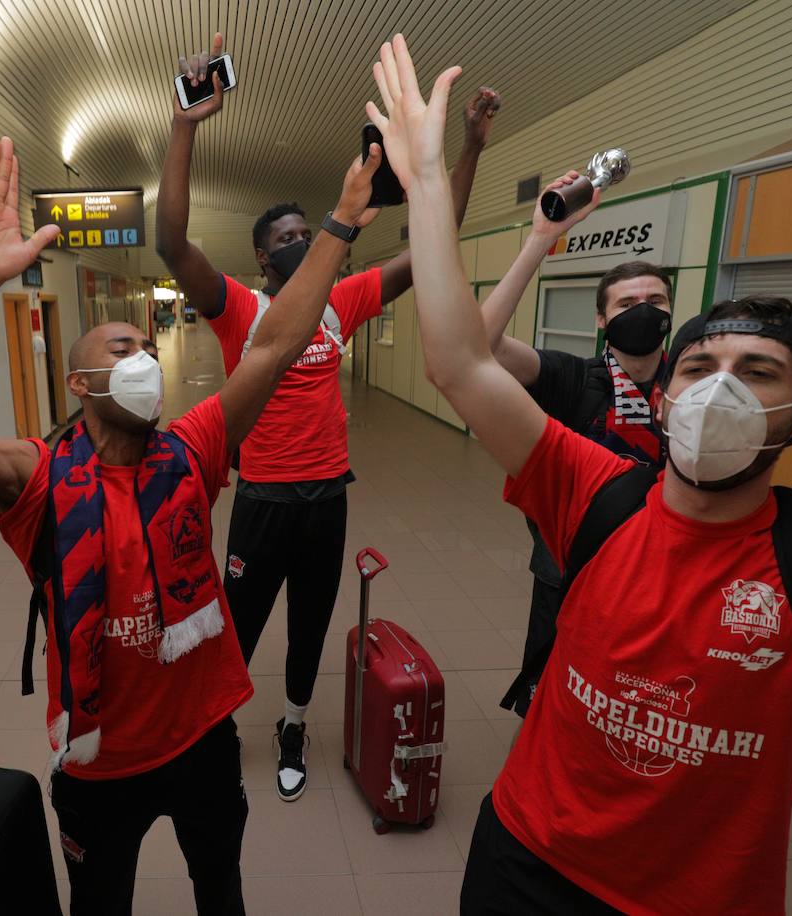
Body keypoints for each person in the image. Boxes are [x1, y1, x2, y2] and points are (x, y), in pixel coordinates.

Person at [367, 34, 792, 913]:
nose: (719, 390)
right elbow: (460, 358)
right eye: (700, 369)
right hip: (524, 861)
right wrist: (429, 182)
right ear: (667, 388)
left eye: (757, 374)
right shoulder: (595, 490)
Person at [0, 131, 380, 914]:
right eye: (119, 347)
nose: (140, 358)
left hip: (204, 741)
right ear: (79, 381)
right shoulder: (30, 477)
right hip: (100, 764)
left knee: (220, 890)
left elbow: (272, 348)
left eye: (144, 345)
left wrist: (336, 225)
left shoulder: (193, 448)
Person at [155, 32, 500, 800]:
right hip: (263, 502)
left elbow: (430, 246)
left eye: (302, 233)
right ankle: (214, 732)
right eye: (281, 242)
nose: (297, 243)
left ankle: (292, 724)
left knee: (310, 629)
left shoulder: (344, 300)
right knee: (236, 633)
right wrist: (185, 124)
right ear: (261, 263)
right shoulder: (241, 309)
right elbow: (171, 241)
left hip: (326, 499)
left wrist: (465, 152)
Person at [476, 190, 676, 714]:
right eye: (627, 304)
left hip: (658, 565)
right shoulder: (572, 378)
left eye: (655, 302)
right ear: (601, 322)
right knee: (550, 688)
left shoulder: (690, 384)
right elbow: (484, 344)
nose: (643, 311)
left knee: (633, 691)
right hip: (568, 563)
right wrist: (541, 239)